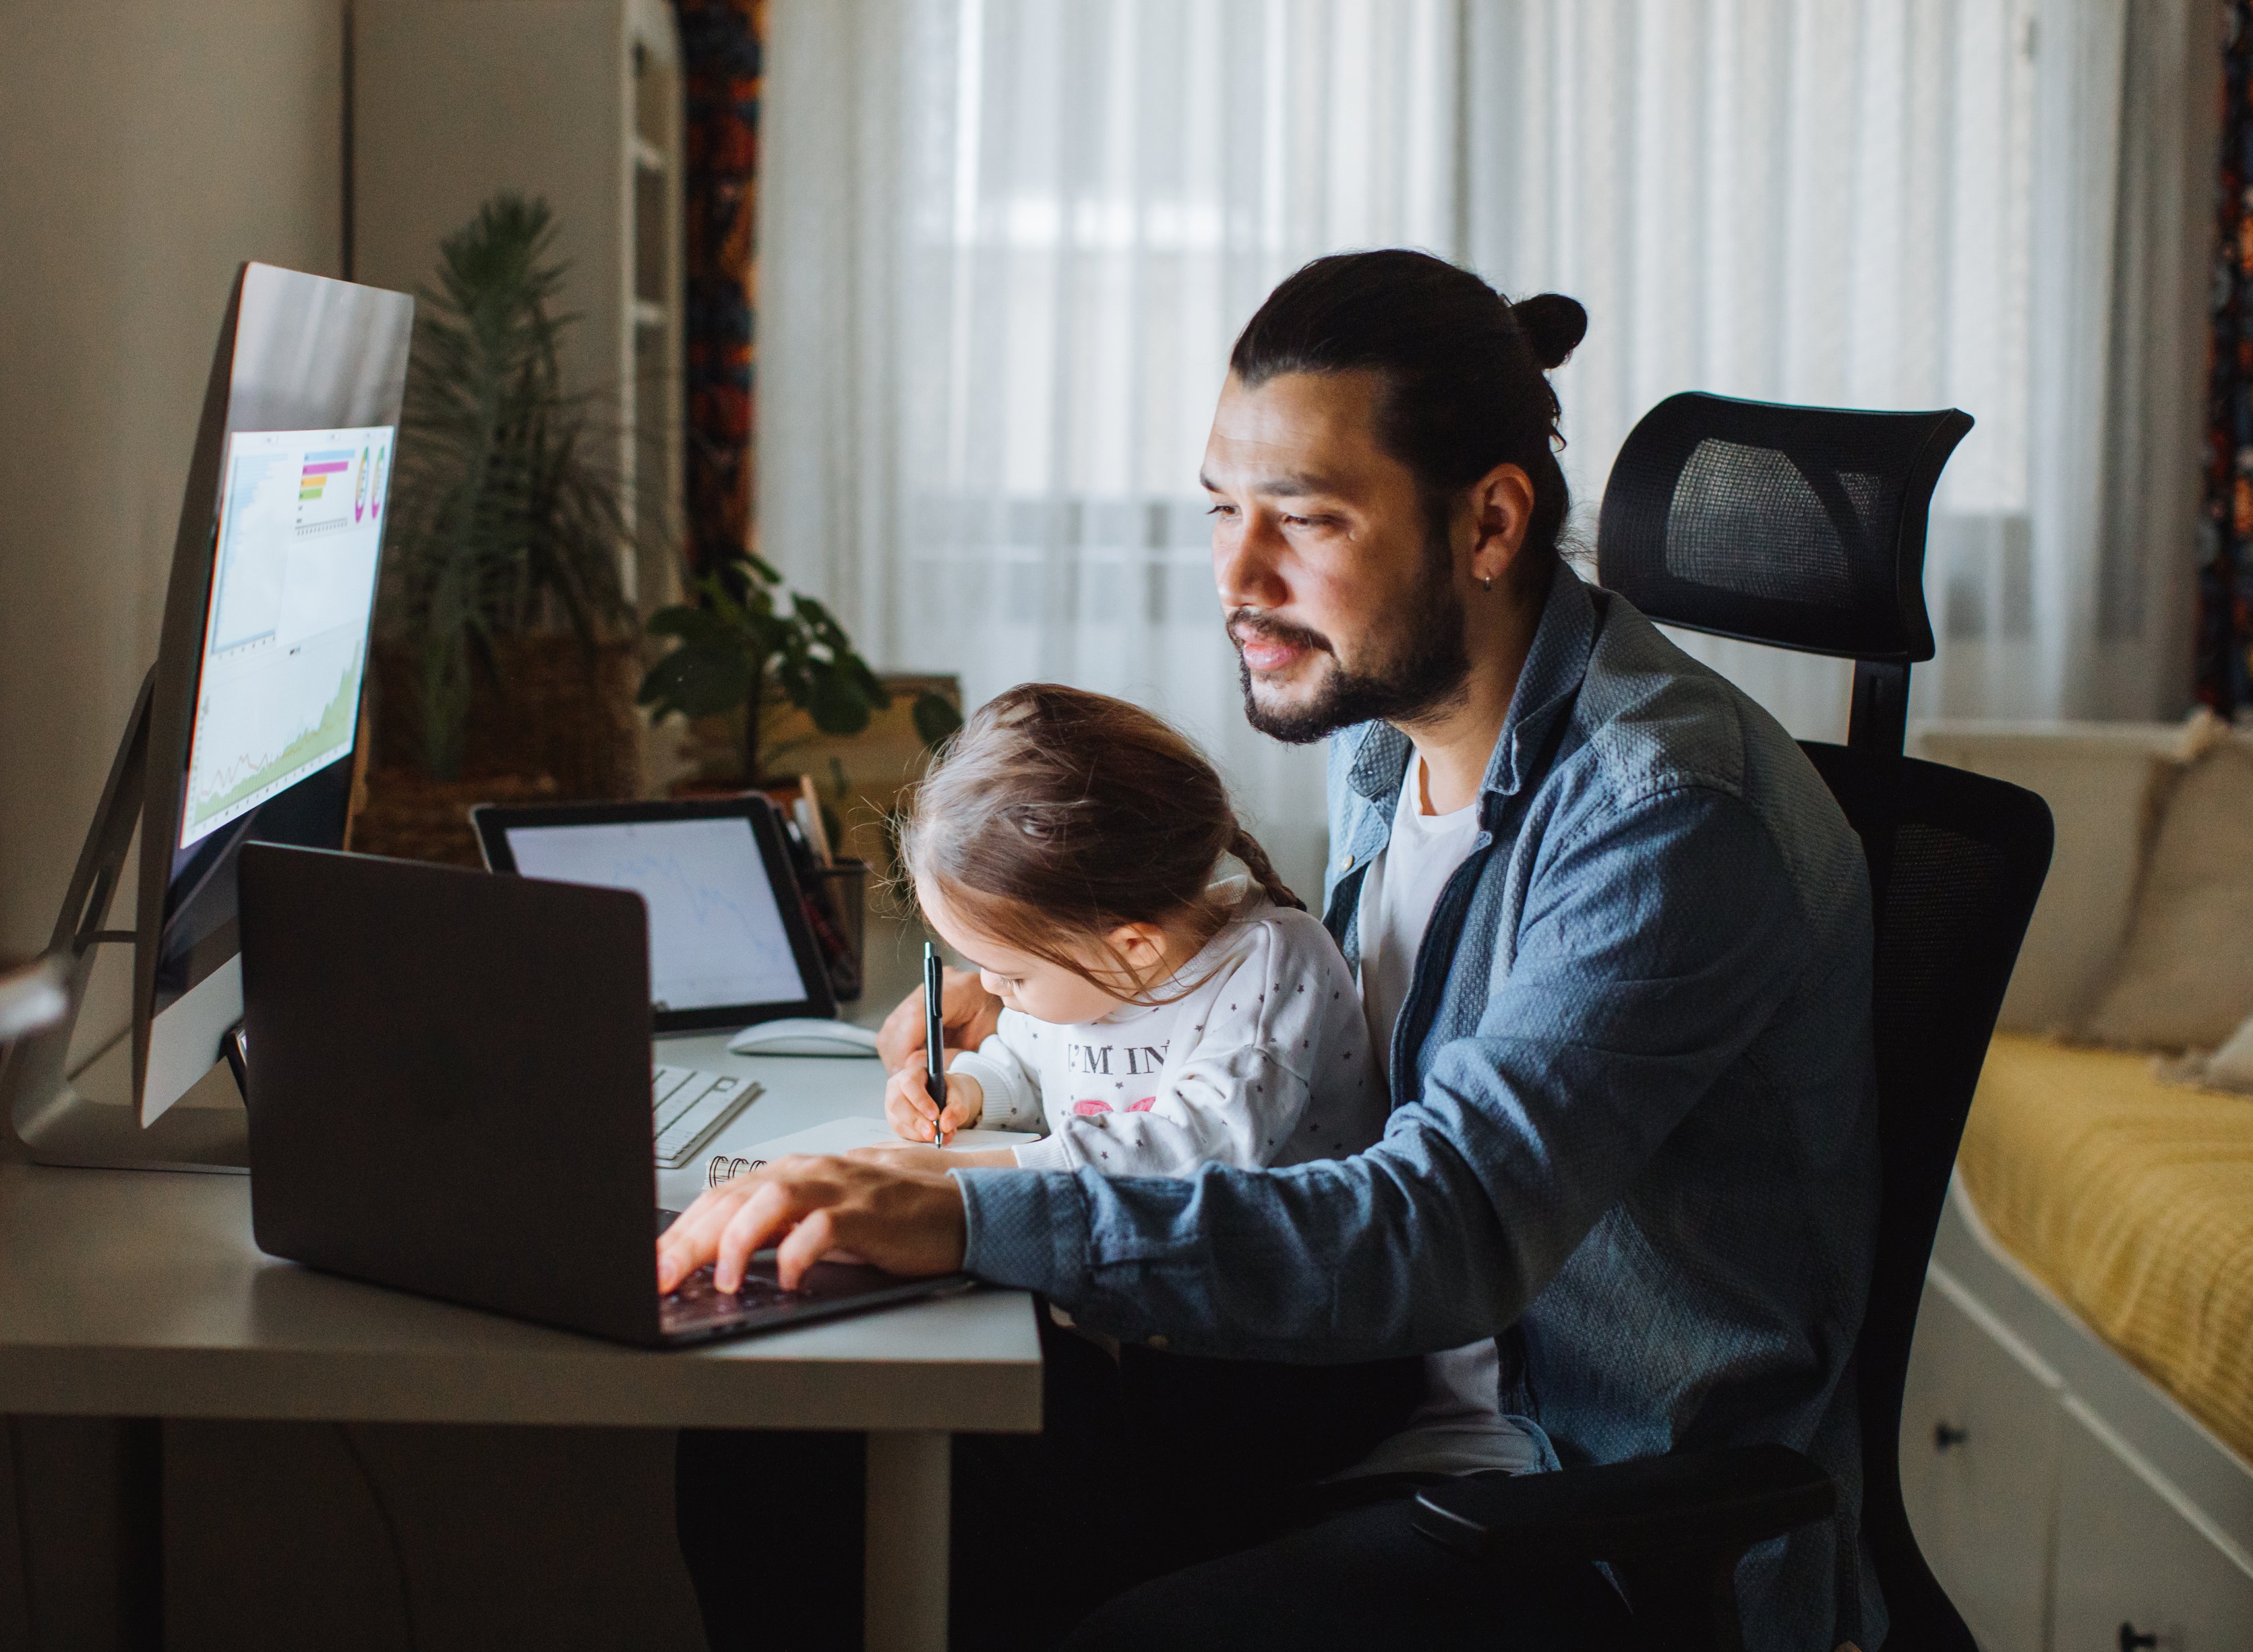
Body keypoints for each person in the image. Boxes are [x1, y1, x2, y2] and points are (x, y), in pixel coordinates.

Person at [661, 249, 1879, 1652]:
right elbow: (1306, 1042)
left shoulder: (1666, 815)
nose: (1239, 576)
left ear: (1490, 523)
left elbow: (1448, 1226)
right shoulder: (1391, 736)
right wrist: (1052, 1004)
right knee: (775, 1437)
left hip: (1577, 1503)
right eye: (1225, 509)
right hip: (1352, 1397)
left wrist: (966, 1211)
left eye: (1302, 519)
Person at [878, 681, 1383, 1175]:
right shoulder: (1083, 966)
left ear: (1134, 947)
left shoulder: (1272, 964)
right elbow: (1023, 1068)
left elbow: (1196, 1146)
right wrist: (964, 1091)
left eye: (1011, 975)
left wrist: (972, 1174)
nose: (988, 987)